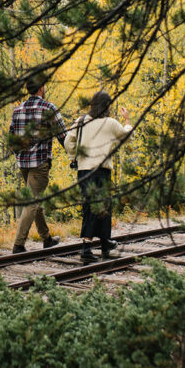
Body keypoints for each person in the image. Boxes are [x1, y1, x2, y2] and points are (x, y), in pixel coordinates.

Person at [64, 90, 132, 262]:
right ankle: (86, 248)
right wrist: (127, 120)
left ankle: (105, 243)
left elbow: (68, 142)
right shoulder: (109, 123)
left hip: (84, 170)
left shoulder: (80, 121)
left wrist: (75, 156)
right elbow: (127, 136)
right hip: (100, 171)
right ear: (107, 106)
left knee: (95, 207)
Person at [8, 76, 66, 253]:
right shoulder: (49, 108)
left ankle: (46, 238)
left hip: (24, 163)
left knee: (35, 198)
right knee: (32, 201)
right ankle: (18, 244)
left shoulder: (17, 110)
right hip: (39, 162)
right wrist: (74, 156)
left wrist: (19, 154)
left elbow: (11, 139)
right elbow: (63, 135)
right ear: (41, 88)